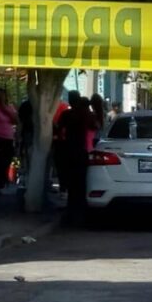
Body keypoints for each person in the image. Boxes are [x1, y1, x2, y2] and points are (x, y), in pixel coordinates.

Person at [63, 91, 95, 224]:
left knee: (71, 183)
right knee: (81, 182)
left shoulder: (67, 114)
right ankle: (80, 211)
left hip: (69, 151)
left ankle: (72, 211)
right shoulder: (86, 114)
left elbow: (59, 128)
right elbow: (95, 127)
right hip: (82, 151)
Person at [0, 87, 18, 194]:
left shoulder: (9, 107)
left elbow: (16, 120)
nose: (1, 97)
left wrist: (5, 108)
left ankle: (3, 183)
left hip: (8, 138)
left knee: (7, 162)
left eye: (3, 95)